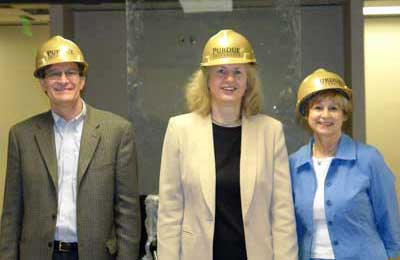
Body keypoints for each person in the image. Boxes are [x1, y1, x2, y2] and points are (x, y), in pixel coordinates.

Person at [157, 29, 298, 260]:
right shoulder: (179, 129)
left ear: (248, 81)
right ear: (207, 80)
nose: (229, 79)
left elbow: (282, 213)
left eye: (238, 72)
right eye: (220, 71)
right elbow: (170, 212)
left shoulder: (270, 131)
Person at [0, 35, 141, 260]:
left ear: (82, 80)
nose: (63, 80)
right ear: (43, 83)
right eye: (54, 74)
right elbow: (11, 214)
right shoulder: (22, 136)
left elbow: (128, 213)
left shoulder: (117, 132)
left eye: (71, 73)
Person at [289, 68, 400, 260]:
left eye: (334, 108)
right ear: (306, 114)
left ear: (344, 115)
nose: (326, 115)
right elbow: (292, 228)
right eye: (317, 107)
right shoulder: (293, 164)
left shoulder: (369, 159)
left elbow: (389, 219)